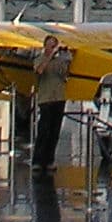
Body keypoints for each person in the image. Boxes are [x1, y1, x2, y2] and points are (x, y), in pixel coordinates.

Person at [30, 32, 75, 171]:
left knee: (55, 131)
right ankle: (38, 160)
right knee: (44, 130)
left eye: (54, 46)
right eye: (50, 46)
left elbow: (65, 74)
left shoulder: (60, 61)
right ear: (45, 46)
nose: (52, 48)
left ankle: (49, 160)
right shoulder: (39, 59)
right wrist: (49, 56)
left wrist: (66, 58)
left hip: (59, 97)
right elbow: (39, 71)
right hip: (46, 98)